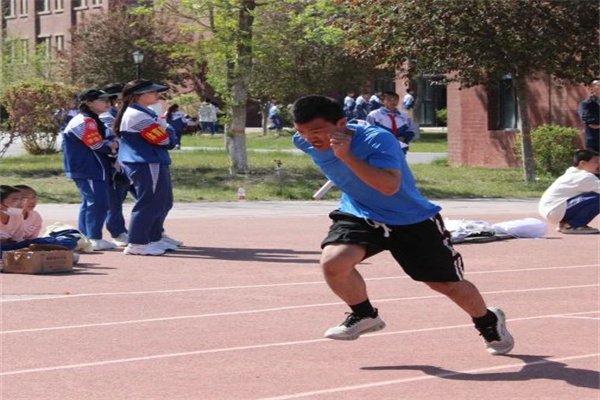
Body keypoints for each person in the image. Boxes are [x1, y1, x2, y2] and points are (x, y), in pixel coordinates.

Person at [291, 95, 514, 355]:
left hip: (411, 218)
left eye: (316, 131)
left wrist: (346, 156)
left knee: (445, 284)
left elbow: (389, 186)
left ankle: (488, 321)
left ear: (341, 123)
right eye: (301, 131)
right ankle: (364, 315)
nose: (309, 138)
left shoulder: (378, 139)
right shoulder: (303, 142)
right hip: (361, 213)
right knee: (333, 262)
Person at [113, 79, 181, 256]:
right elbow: (165, 140)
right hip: (146, 162)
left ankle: (153, 238)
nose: (156, 94)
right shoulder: (138, 115)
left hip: (152, 160)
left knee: (162, 201)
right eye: (151, 92)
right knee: (149, 202)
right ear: (138, 96)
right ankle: (137, 242)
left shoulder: (143, 113)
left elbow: (163, 137)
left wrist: (165, 129)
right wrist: (169, 130)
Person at [62, 89, 119, 251]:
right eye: (102, 99)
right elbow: (97, 145)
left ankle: (85, 238)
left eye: (109, 99)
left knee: (90, 203)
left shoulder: (93, 120)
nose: (108, 103)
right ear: (88, 102)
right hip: (88, 168)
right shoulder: (85, 121)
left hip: (92, 167)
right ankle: (94, 237)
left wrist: (110, 142)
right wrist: (112, 145)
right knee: (98, 202)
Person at [538, 149, 600, 234]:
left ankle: (565, 224)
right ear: (583, 163)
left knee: (593, 196)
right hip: (556, 210)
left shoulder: (573, 174)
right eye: (596, 162)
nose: (598, 164)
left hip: (553, 210)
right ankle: (573, 225)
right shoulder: (584, 176)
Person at [100, 82, 131, 247]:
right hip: (115, 164)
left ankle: (155, 231)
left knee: (150, 199)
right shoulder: (106, 116)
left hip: (130, 162)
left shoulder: (125, 113)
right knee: (115, 199)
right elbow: (110, 140)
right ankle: (118, 232)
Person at [578, 80, 600, 152]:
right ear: (591, 89)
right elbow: (588, 119)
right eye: (599, 85)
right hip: (595, 140)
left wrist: (598, 125)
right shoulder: (586, 104)